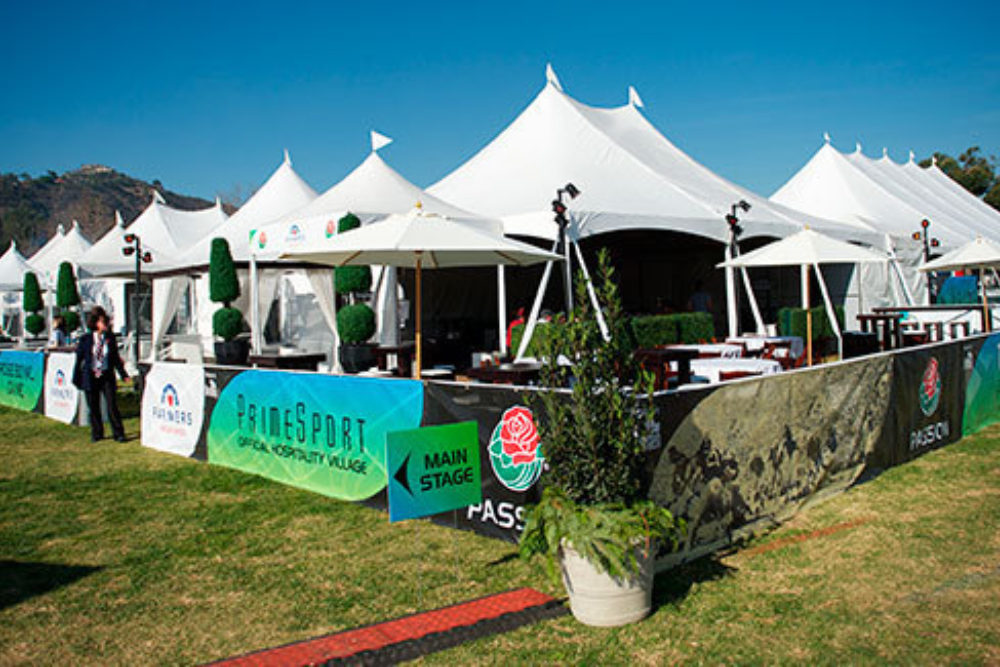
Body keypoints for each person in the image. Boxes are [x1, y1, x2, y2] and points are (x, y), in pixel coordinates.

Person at [74, 307, 129, 442]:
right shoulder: (86, 339)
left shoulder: (110, 338)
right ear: (96, 323)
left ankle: (119, 433)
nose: (106, 325)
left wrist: (123, 374)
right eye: (103, 322)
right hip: (91, 375)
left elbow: (115, 358)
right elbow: (79, 360)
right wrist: (77, 378)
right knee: (93, 406)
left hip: (106, 375)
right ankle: (97, 433)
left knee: (112, 405)